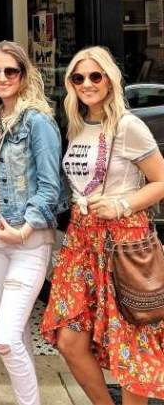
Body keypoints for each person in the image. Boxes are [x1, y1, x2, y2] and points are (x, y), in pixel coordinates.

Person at [41, 46, 164, 404]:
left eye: (96, 76)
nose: (87, 84)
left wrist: (121, 204)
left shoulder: (127, 126)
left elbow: (161, 181)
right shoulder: (78, 124)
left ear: (111, 80)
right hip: (82, 241)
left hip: (123, 242)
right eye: (78, 78)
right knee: (69, 338)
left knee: (130, 343)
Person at [0, 41, 63, 405]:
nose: (1, 78)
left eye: (10, 71)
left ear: (25, 75)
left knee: (5, 339)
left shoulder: (38, 121)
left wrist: (25, 227)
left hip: (27, 242)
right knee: (18, 334)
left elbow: (50, 186)